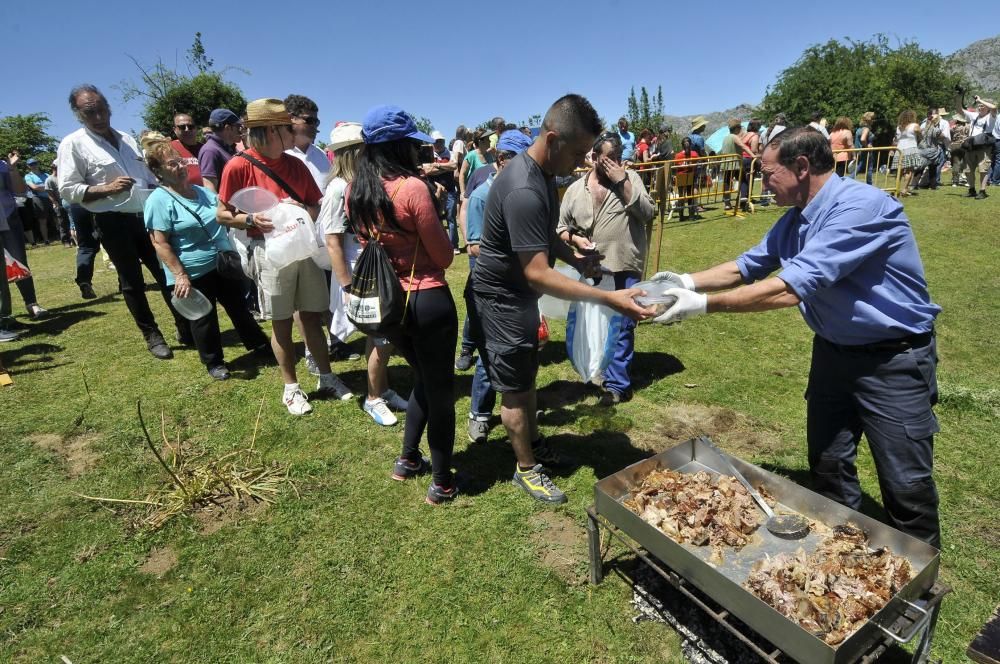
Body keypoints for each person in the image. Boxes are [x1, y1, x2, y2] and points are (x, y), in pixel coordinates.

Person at [653, 127, 942, 548]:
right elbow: (747, 266)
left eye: (768, 172)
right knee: (827, 462)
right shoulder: (795, 219)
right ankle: (843, 548)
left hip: (892, 362)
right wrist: (683, 280)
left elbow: (788, 289)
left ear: (801, 167)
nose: (762, 182)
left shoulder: (860, 208)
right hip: (832, 355)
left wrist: (701, 306)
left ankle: (919, 584)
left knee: (906, 483)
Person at [467, 93, 653, 505]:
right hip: (501, 298)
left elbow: (543, 238)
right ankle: (526, 469)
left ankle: (534, 444)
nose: (584, 162)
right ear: (552, 140)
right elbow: (537, 271)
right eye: (579, 152)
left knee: (526, 374)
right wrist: (610, 299)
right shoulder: (524, 188)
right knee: (514, 388)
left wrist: (576, 256)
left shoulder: (543, 177)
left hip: (519, 295)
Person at [346, 104, 458, 505]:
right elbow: (444, 257)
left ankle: (408, 458)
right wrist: (439, 210)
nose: (418, 152)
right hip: (427, 299)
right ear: (399, 147)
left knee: (424, 380)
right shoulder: (413, 189)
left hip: (389, 306)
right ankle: (442, 481)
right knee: (440, 391)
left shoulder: (354, 190)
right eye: (412, 145)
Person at [216, 98, 352, 415]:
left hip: (302, 248)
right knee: (281, 323)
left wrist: (298, 209)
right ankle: (291, 388)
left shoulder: (295, 165)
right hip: (269, 254)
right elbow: (222, 214)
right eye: (288, 129)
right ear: (270, 131)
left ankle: (326, 377)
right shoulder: (239, 165)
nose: (294, 134)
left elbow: (315, 206)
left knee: (312, 317)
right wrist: (249, 220)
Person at [57, 84, 187, 358]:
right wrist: (106, 188)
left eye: (101, 109)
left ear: (108, 107)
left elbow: (149, 177)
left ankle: (184, 325)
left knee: (166, 272)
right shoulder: (73, 144)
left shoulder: (127, 139)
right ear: (78, 113)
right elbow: (67, 190)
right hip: (111, 221)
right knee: (132, 282)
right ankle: (152, 334)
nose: (98, 116)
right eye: (89, 112)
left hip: (146, 217)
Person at [141, 134, 270, 380]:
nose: (180, 167)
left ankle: (260, 345)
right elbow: (160, 242)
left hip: (222, 263)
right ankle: (214, 362)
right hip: (192, 271)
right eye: (171, 164)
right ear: (158, 171)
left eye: (180, 161)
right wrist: (180, 275)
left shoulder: (202, 192)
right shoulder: (158, 201)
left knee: (239, 308)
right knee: (203, 319)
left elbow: (227, 214)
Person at [557, 131, 655, 406]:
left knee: (623, 324)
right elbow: (560, 228)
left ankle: (617, 385)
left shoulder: (630, 179)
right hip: (592, 268)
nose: (615, 162)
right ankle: (599, 370)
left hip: (625, 262)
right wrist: (575, 239)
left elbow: (648, 213)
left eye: (618, 156)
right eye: (609, 157)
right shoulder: (576, 189)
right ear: (594, 157)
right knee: (595, 324)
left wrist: (621, 181)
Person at [320, 122, 409, 426]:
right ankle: (373, 398)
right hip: (358, 274)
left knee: (384, 330)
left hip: (372, 268)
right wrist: (347, 286)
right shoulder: (336, 190)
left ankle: (382, 389)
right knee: (379, 333)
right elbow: (332, 240)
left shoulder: (360, 183)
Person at [462, 129, 533, 443]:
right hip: (489, 286)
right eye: (520, 159)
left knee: (514, 354)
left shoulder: (520, 191)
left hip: (517, 284)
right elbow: (473, 245)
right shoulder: (482, 195)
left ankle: (518, 409)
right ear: (502, 159)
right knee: (489, 354)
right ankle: (479, 414)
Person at [0, 152, 29, 340]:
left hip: (5, 217)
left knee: (2, 273)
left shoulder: (3, 165)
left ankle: (4, 318)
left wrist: (11, 167)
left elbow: (20, 190)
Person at [955, 92, 998, 200]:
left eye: (982, 106)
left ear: (987, 107)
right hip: (971, 146)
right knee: (968, 170)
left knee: (983, 169)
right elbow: (959, 110)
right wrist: (959, 96)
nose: (980, 107)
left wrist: (980, 100)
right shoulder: (974, 116)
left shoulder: (991, 116)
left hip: (984, 147)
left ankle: (982, 191)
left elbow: (994, 107)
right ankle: (972, 189)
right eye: (979, 106)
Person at [422, 131, 459, 252]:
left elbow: (454, 166)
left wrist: (436, 166)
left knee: (451, 218)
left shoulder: (450, 153)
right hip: (433, 192)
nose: (439, 143)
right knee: (435, 219)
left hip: (450, 191)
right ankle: (438, 245)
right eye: (436, 141)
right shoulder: (427, 154)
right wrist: (444, 167)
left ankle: (454, 246)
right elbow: (426, 170)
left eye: (441, 141)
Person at [198, 108, 242, 193]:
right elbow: (210, 189)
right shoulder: (210, 151)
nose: (241, 130)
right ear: (228, 128)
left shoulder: (229, 148)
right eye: (238, 127)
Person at [24, 159, 58, 244]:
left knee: (57, 217)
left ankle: (63, 236)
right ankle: (46, 240)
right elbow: (34, 187)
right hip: (38, 199)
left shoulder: (45, 174)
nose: (34, 165)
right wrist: (47, 188)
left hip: (51, 198)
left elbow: (53, 184)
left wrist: (42, 188)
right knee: (43, 220)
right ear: (28, 166)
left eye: (35, 163)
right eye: (31, 164)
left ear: (38, 164)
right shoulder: (28, 176)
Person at [892, 110, 923, 196]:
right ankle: (904, 189)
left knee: (899, 171)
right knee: (909, 171)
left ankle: (896, 188)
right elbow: (921, 136)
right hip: (910, 149)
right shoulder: (915, 126)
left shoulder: (898, 127)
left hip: (899, 150)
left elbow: (896, 139)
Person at [458, 129, 495, 199]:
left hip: (488, 194)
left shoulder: (490, 155)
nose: (490, 141)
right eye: (487, 139)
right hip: (473, 195)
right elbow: (462, 174)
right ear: (480, 141)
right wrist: (463, 193)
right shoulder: (471, 155)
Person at [170, 113, 204, 186]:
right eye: (182, 127)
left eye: (191, 126)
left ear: (196, 128)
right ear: (175, 130)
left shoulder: (205, 149)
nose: (187, 129)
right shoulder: (169, 148)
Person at [920, 108, 950, 188]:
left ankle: (925, 183)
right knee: (936, 165)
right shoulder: (944, 123)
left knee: (925, 166)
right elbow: (945, 137)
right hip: (937, 146)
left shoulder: (924, 123)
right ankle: (933, 183)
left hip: (924, 147)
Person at [44, 162, 73, 246]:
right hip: (58, 203)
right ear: (54, 168)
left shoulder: (63, 177)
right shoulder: (49, 179)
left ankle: (73, 239)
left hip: (68, 202)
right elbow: (50, 194)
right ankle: (65, 241)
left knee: (70, 221)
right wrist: (55, 203)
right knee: (62, 222)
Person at [673, 137, 700, 220]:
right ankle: (691, 215)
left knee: (682, 196)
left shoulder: (678, 156)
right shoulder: (694, 154)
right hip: (689, 176)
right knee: (689, 195)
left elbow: (675, 167)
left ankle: (682, 216)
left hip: (682, 176)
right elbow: (698, 163)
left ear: (682, 145)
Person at [853, 112, 876, 185]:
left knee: (859, 167)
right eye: (873, 119)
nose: (874, 121)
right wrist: (867, 147)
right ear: (869, 120)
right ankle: (869, 185)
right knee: (868, 168)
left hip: (859, 151)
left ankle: (847, 179)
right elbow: (863, 139)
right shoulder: (866, 129)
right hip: (866, 152)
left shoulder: (859, 129)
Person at [948, 114, 970, 187]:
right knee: (966, 164)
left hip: (954, 146)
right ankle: (967, 180)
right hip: (965, 145)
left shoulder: (953, 128)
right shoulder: (968, 127)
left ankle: (955, 181)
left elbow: (950, 137)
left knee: (955, 164)